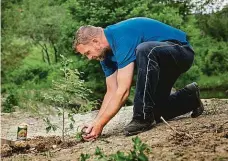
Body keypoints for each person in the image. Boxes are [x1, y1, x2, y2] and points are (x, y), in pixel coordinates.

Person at [73, 17, 204, 141]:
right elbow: (112, 91)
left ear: (95, 41)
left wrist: (101, 123)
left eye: (88, 53)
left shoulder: (120, 36)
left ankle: (142, 118)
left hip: (181, 51)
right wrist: (96, 123)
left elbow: (124, 91)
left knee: (144, 49)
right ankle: (190, 97)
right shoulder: (104, 57)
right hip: (159, 63)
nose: (89, 58)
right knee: (156, 111)